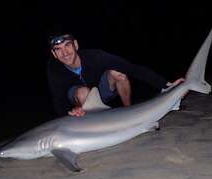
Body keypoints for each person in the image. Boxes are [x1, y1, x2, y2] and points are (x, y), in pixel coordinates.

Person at [47, 33, 184, 117]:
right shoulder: (54, 70)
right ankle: (94, 121)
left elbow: (132, 68)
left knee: (119, 73)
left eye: (68, 45)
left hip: (101, 92)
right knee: (83, 92)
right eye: (58, 50)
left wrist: (166, 84)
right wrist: (69, 112)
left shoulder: (96, 56)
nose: (64, 53)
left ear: (76, 45)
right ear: (54, 54)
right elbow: (58, 99)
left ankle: (129, 112)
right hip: (80, 99)